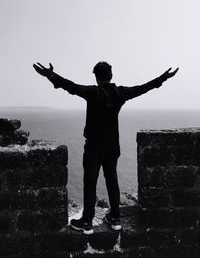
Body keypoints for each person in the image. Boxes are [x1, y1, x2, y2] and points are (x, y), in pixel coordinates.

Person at [33, 61, 178, 234]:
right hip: (112, 146)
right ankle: (115, 218)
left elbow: (70, 86)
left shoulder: (93, 93)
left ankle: (87, 222)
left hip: (94, 146)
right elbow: (142, 88)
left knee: (90, 182)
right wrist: (162, 78)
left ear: (95, 76)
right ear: (111, 75)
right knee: (112, 180)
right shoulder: (120, 93)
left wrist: (51, 75)